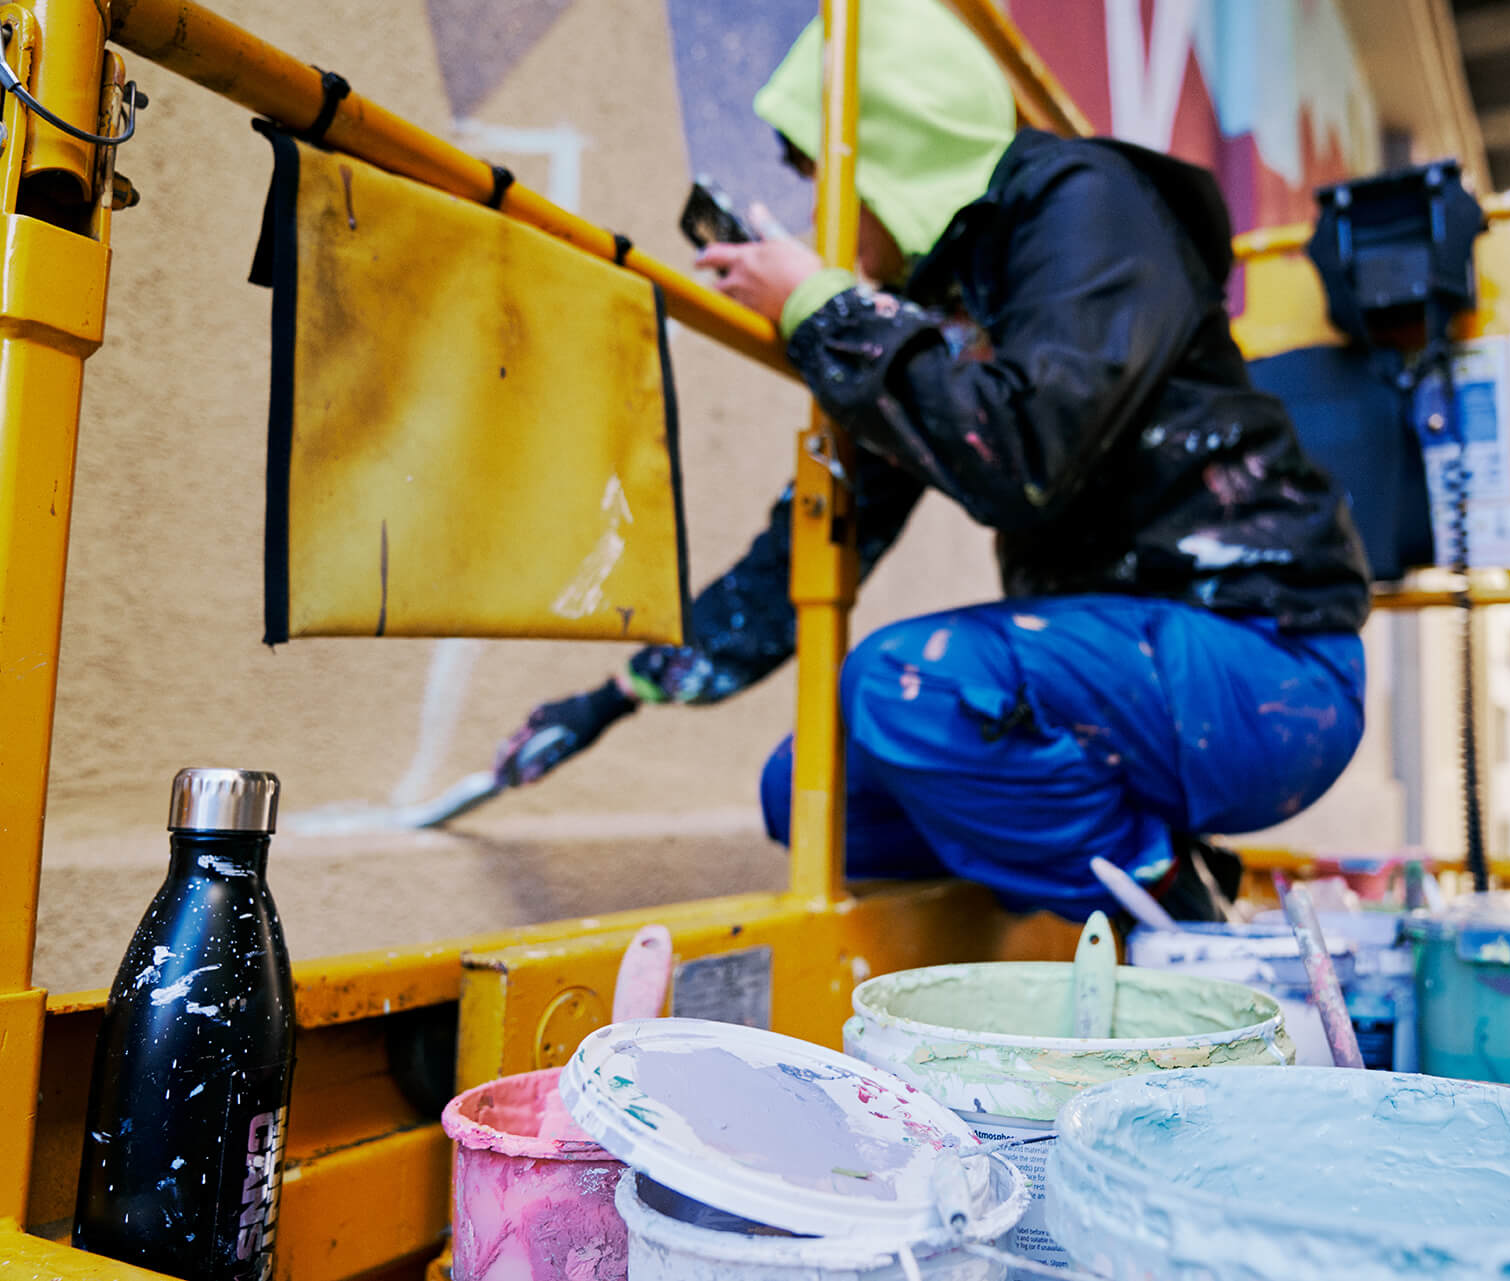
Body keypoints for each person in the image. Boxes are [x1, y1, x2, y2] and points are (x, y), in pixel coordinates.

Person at [494, 0, 1372, 922]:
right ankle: (1132, 861)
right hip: (1129, 686)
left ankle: (1166, 908)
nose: (819, 217)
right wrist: (614, 694)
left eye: (821, 178)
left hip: (1267, 665)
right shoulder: (940, 308)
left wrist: (829, 313)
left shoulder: (1084, 202)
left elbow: (1026, 454)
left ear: (887, 146)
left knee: (906, 681)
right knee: (806, 793)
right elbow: (810, 549)